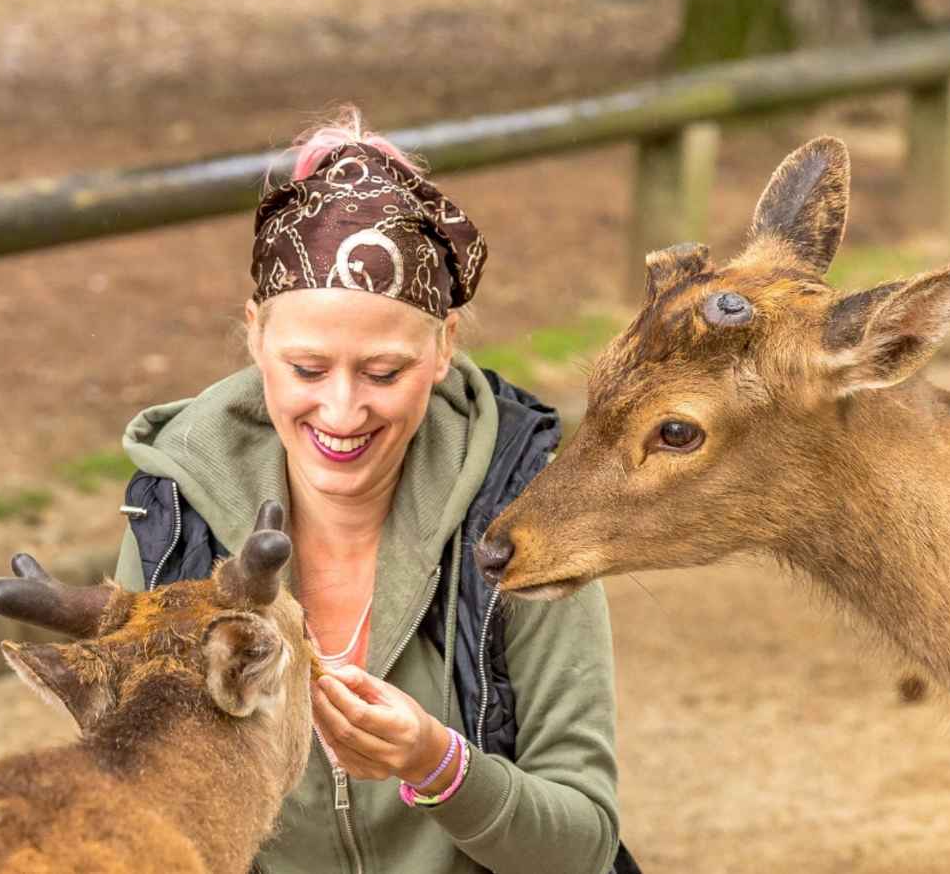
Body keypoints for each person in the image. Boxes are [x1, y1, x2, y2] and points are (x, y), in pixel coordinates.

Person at [109, 111, 639, 874]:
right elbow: (129, 819)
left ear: (444, 347)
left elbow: (582, 846)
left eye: (383, 372)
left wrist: (441, 767)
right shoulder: (172, 522)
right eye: (307, 369)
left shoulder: (524, 512)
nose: (342, 411)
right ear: (256, 335)